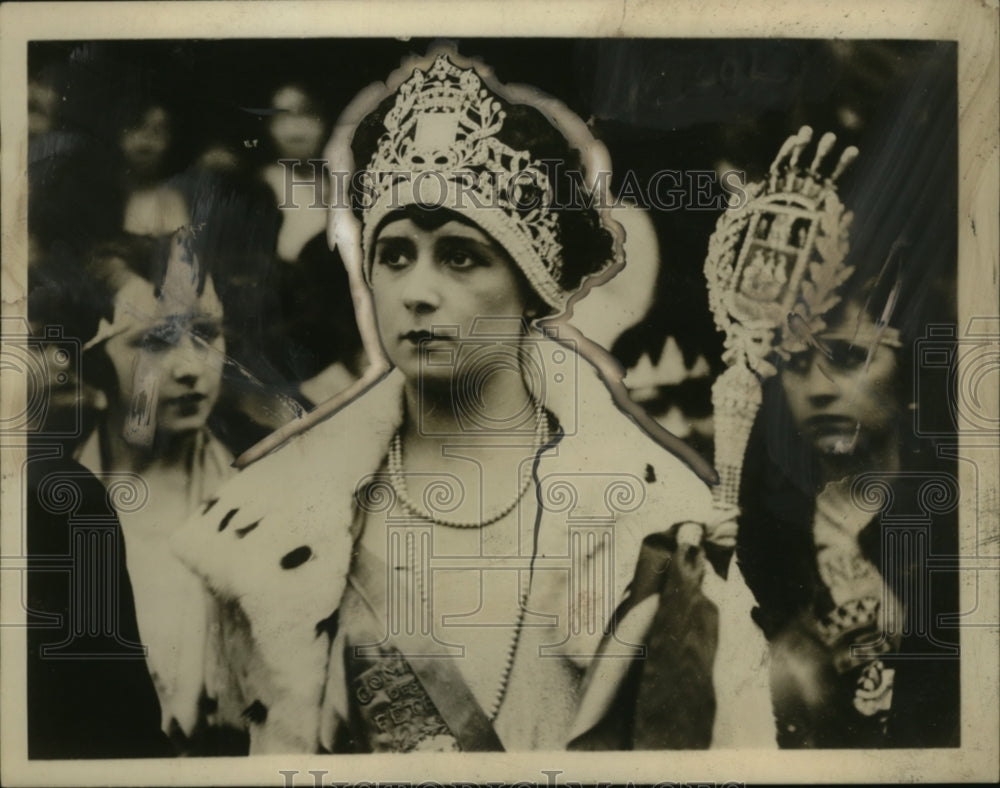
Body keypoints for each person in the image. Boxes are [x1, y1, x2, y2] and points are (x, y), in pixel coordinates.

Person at [173, 48, 770, 754]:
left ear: (531, 290)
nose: (415, 291)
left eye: (460, 255)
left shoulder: (656, 525)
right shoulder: (268, 528)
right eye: (393, 254)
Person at [735, 252, 960, 748]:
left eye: (850, 357)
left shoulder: (958, 528)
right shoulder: (759, 540)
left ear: (907, 373)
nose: (819, 389)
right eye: (796, 364)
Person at [76, 229, 244, 754]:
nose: (191, 369)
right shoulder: (49, 504)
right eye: (154, 342)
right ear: (94, 362)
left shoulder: (264, 482)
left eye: (206, 334)